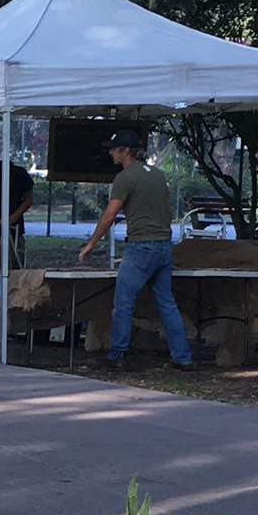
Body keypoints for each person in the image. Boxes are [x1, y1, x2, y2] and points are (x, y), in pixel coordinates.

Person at [79, 127, 193, 370]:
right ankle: (183, 358)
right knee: (166, 303)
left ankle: (117, 355)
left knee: (123, 302)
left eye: (113, 149)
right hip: (164, 245)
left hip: (141, 246)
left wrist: (91, 243)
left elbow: (111, 214)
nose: (110, 153)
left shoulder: (125, 177)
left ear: (125, 151)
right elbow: (168, 211)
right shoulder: (157, 174)